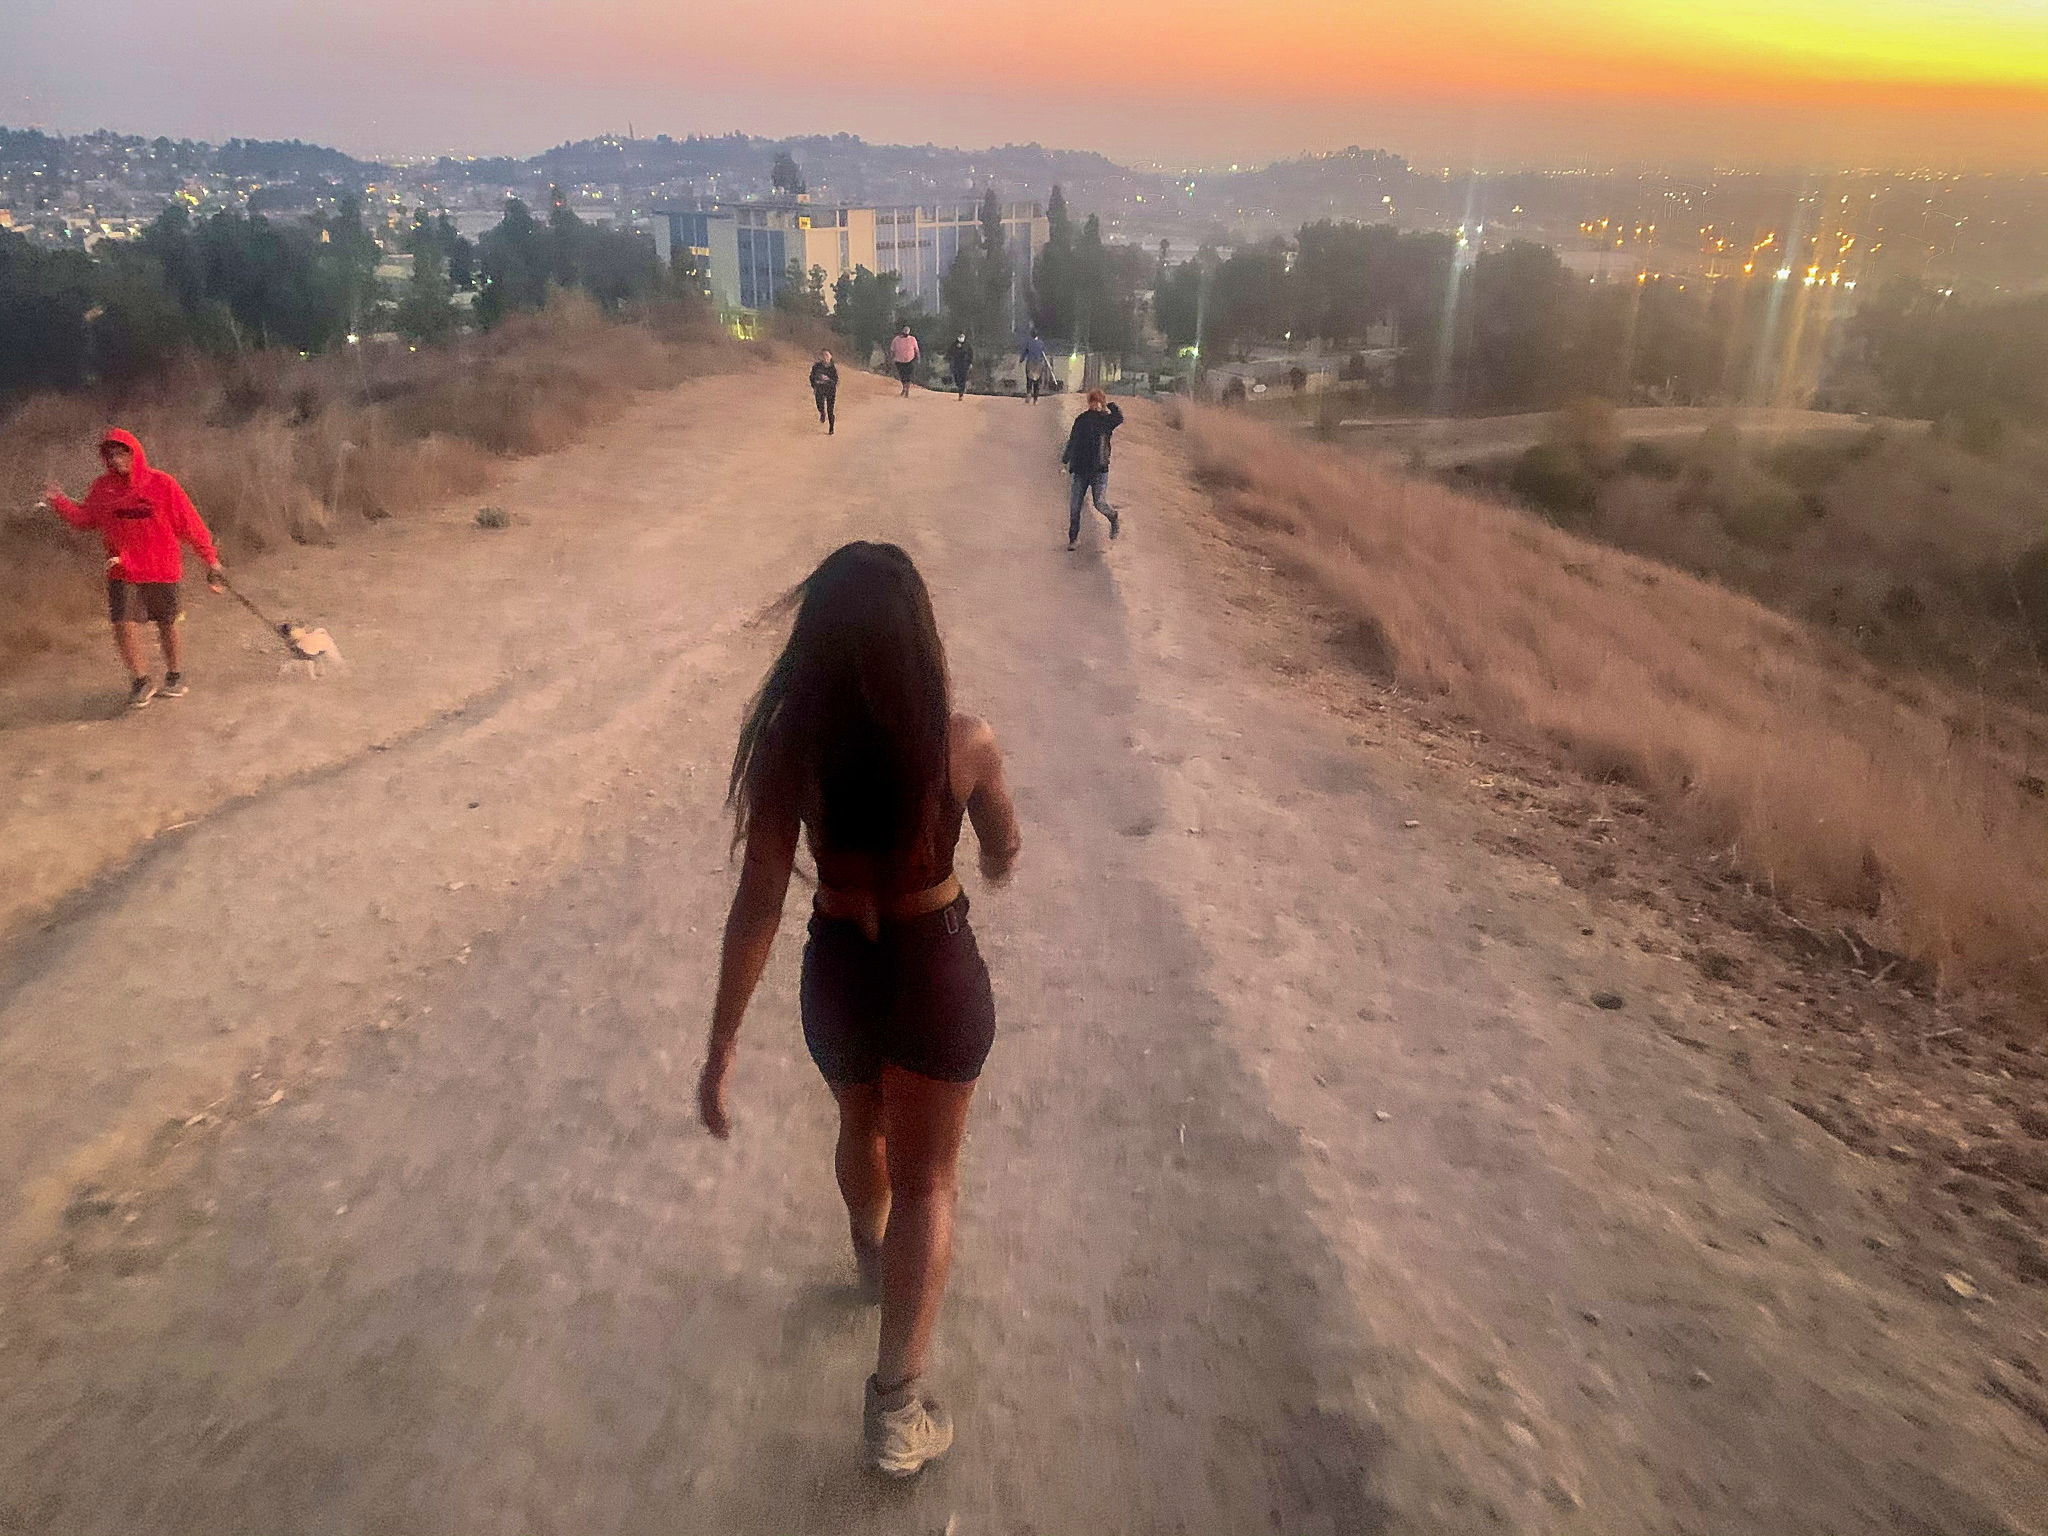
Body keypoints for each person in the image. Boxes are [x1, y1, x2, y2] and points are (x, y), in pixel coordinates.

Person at [699, 544, 1020, 1478]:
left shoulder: (791, 750)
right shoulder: (962, 743)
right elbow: (1003, 842)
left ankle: (867, 1256)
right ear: (921, 643)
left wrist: (719, 1047)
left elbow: (759, 901)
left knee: (860, 1123)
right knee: (931, 1180)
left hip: (837, 968)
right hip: (933, 970)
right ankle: (895, 1407)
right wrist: (992, 850)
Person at [43, 428, 226, 708]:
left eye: (122, 452)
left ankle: (175, 675)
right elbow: (85, 519)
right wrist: (59, 502)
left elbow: (190, 523)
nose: (117, 459)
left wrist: (210, 559)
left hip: (162, 568)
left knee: (167, 624)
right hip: (122, 569)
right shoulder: (103, 489)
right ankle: (141, 681)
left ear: (135, 452)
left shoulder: (162, 484)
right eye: (111, 454)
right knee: (122, 625)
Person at [1059, 390, 1124, 550]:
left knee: (1100, 503)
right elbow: (1073, 440)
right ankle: (1073, 539)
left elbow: (1119, 418)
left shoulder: (1106, 420)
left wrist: (1108, 405)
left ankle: (1113, 517)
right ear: (1089, 402)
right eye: (1093, 401)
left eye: (1097, 401)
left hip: (1099, 470)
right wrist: (1065, 460)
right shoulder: (1081, 420)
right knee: (1075, 507)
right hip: (1080, 469)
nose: (1094, 404)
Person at [810, 349, 840, 434]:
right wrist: (814, 385)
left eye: (827, 355)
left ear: (831, 356)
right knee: (819, 405)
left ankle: (831, 428)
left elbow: (836, 380)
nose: (825, 357)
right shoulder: (816, 366)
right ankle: (822, 414)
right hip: (819, 389)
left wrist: (827, 380)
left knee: (830, 410)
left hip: (830, 390)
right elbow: (811, 377)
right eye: (824, 355)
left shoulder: (832, 368)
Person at [1018, 332, 1050, 404]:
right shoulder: (1041, 343)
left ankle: (1029, 393)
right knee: (1037, 381)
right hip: (1038, 364)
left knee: (1029, 379)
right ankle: (1035, 399)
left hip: (1030, 363)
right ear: (1037, 336)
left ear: (1031, 335)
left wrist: (1021, 360)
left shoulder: (1029, 342)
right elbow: (1044, 354)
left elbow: (1025, 352)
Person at [889, 326, 921, 397]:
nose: (905, 335)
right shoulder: (896, 339)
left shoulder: (912, 339)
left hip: (910, 360)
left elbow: (916, 349)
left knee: (908, 376)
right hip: (899, 360)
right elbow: (892, 350)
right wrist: (891, 358)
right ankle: (904, 388)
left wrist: (918, 358)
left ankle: (907, 390)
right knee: (902, 375)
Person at [945, 334, 973, 400]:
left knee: (963, 378)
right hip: (956, 364)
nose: (961, 338)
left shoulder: (967, 345)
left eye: (962, 337)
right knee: (957, 378)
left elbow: (970, 354)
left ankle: (961, 393)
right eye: (960, 337)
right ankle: (959, 387)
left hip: (964, 365)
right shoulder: (954, 345)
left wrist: (970, 363)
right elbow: (950, 352)